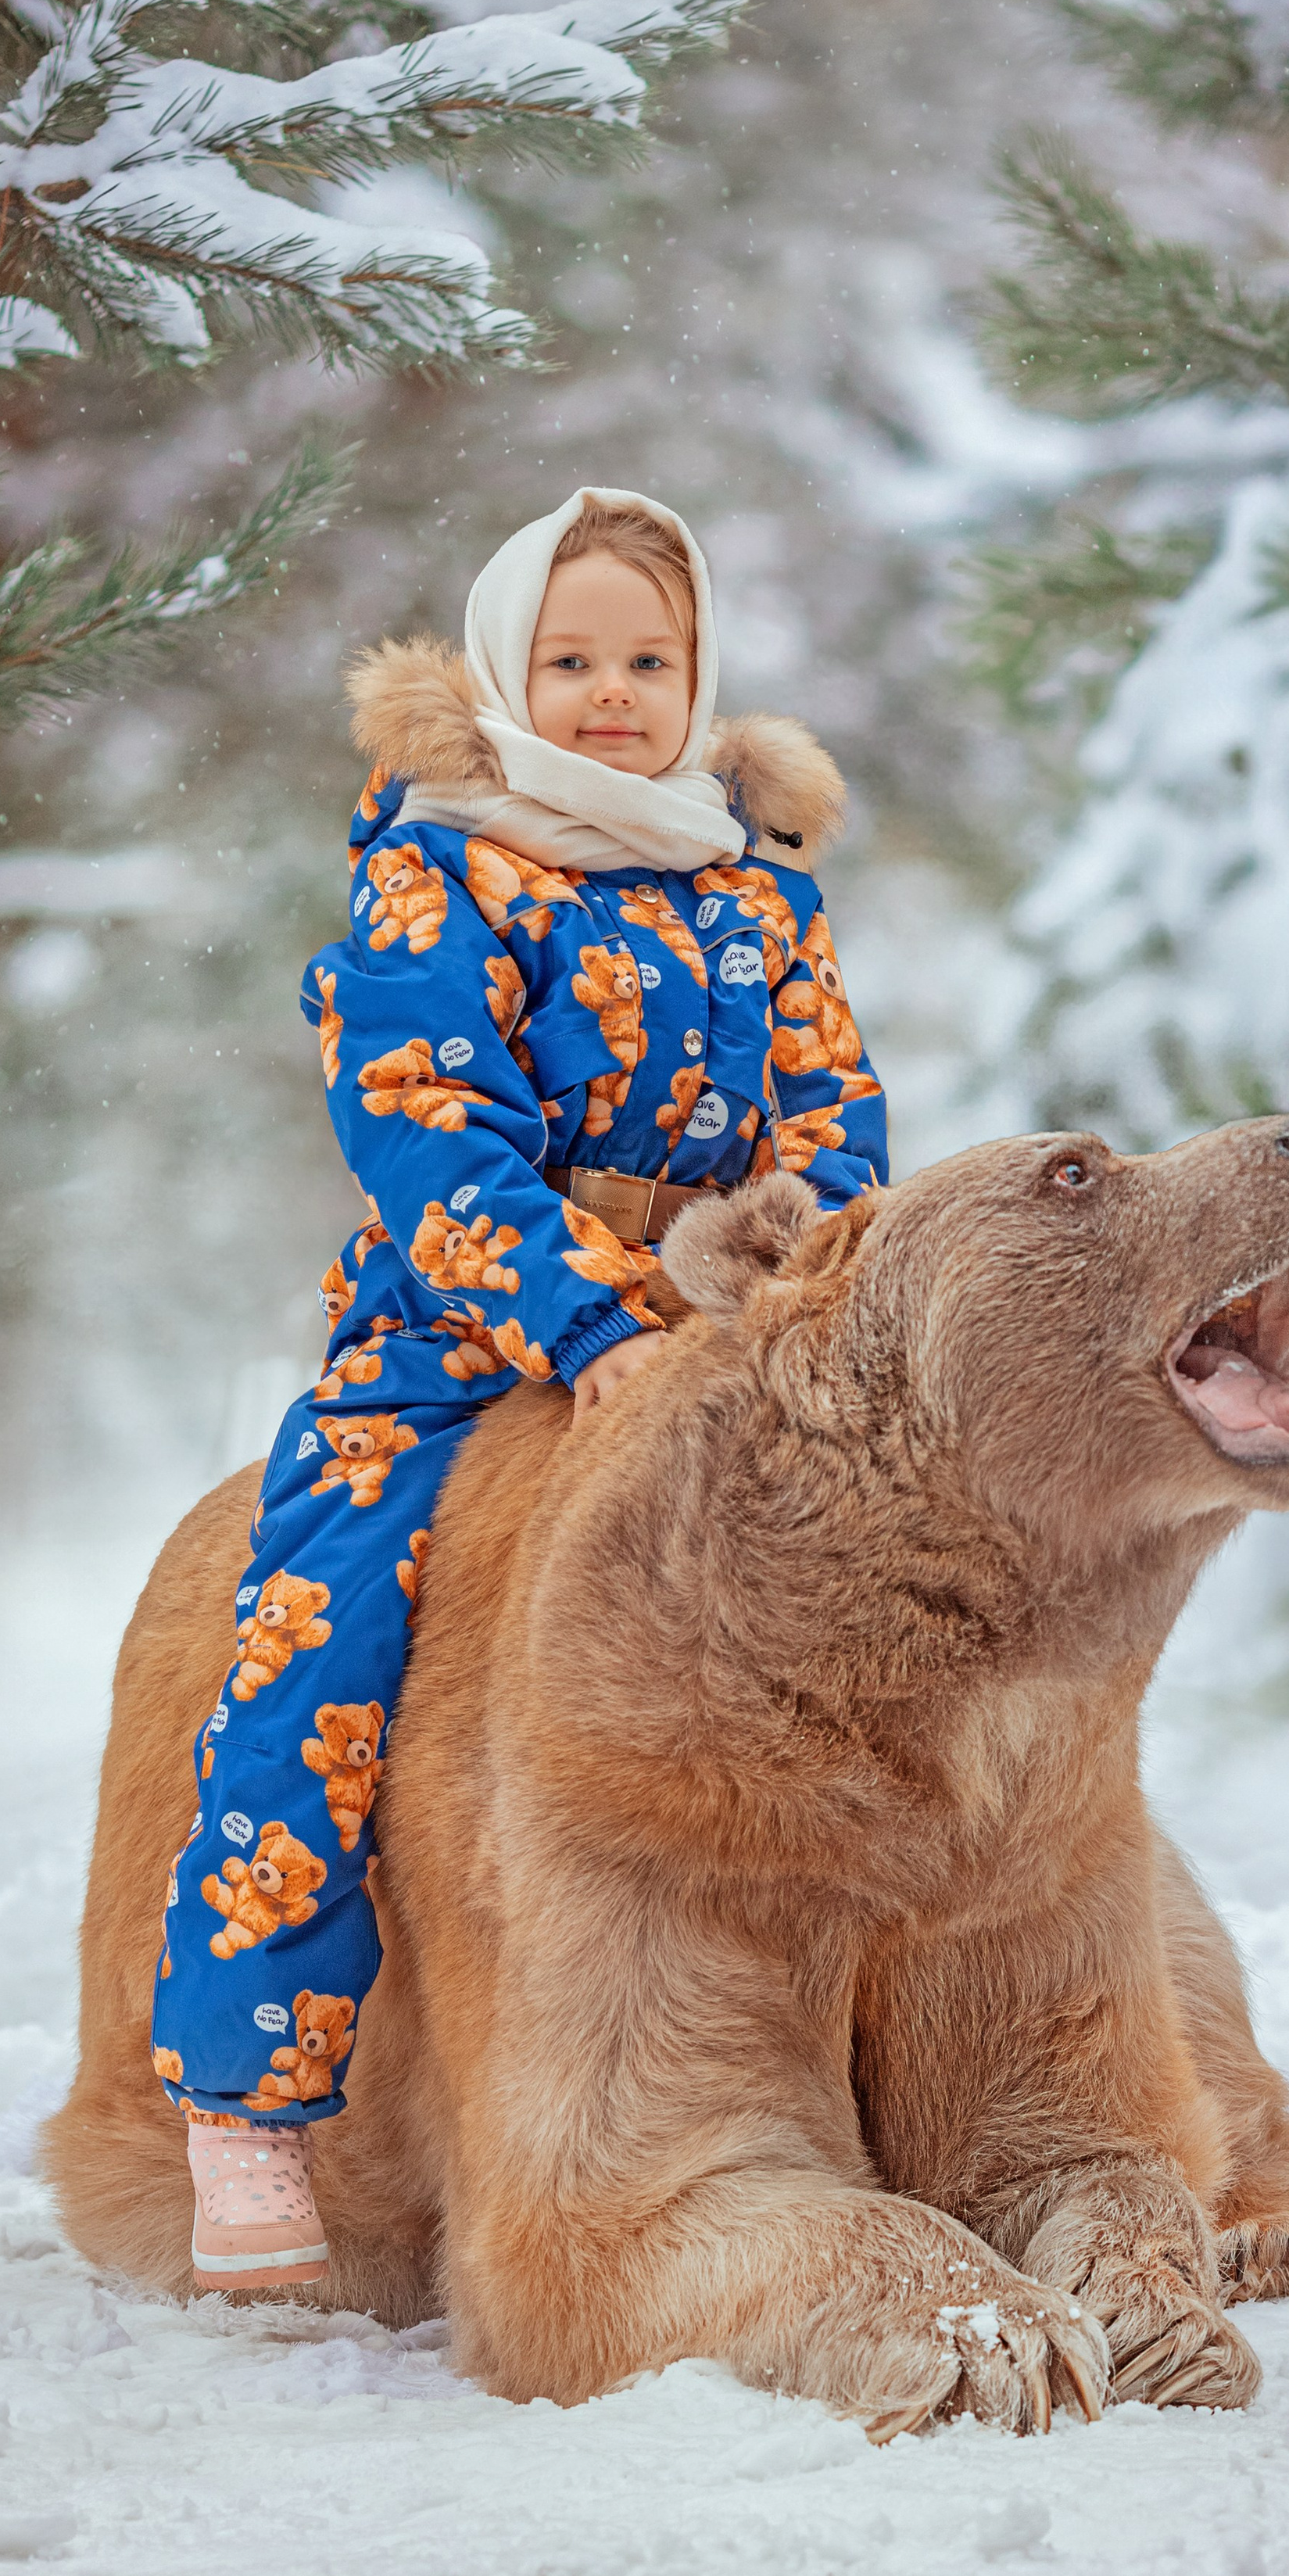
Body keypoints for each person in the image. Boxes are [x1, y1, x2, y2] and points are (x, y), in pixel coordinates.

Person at [149, 485, 890, 2290]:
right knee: (315, 1648)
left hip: (721, 1316)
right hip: (458, 1330)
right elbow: (429, 1130)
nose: (610, 694)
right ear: (501, 674)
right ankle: (248, 2101)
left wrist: (795, 1277)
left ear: (696, 679)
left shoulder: (753, 891)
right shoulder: (439, 870)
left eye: (648, 660)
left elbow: (833, 1116)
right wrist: (584, 1321)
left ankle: (893, 2027)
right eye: (569, 661)